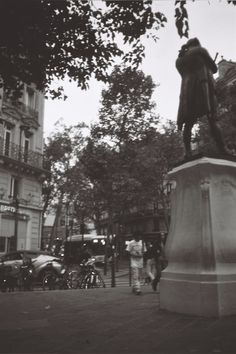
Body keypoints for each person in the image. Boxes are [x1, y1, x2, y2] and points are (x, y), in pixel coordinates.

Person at [176, 37, 227, 158]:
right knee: (212, 118)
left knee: (188, 123)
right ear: (197, 44)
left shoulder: (179, 59)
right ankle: (223, 149)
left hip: (187, 91)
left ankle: (187, 152)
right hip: (203, 86)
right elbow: (214, 69)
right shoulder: (200, 50)